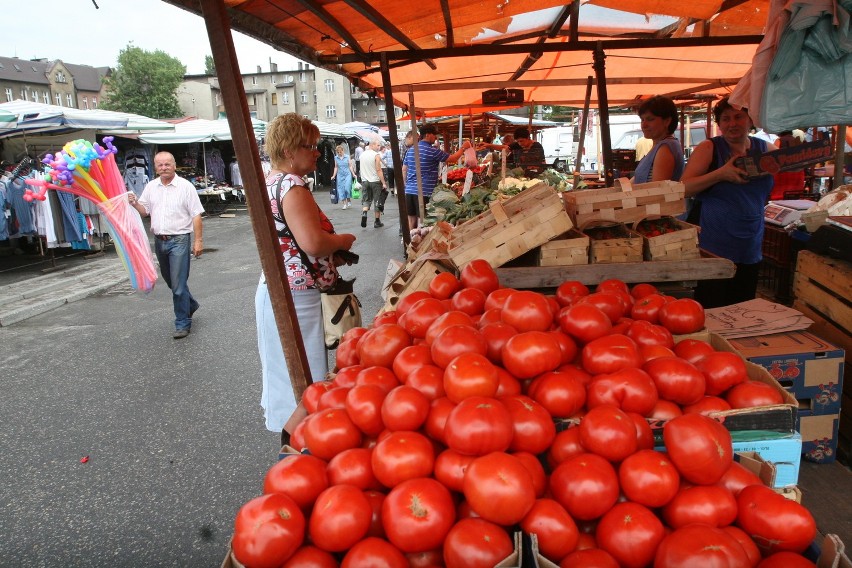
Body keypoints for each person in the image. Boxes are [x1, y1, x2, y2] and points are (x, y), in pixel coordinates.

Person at [255, 113, 356, 443]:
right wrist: (341, 241)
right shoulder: (292, 185)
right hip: (297, 296)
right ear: (288, 150)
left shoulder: (269, 182)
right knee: (307, 379)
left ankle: (294, 448)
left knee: (287, 374)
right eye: (309, 146)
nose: (316, 152)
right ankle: (297, 449)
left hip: (278, 288)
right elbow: (311, 244)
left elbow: (291, 239)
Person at [681, 96, 775, 309]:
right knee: (712, 306)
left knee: (743, 308)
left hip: (750, 241)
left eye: (738, 117)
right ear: (720, 124)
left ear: (750, 120)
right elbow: (683, 188)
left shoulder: (766, 149)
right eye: (725, 119)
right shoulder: (709, 148)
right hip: (713, 243)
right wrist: (720, 174)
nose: (732, 123)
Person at [128, 151, 204, 339]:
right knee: (172, 282)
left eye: (167, 164)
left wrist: (198, 240)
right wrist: (134, 203)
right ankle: (190, 304)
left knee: (178, 285)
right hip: (160, 241)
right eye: (160, 165)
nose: (164, 168)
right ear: (155, 167)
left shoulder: (185, 187)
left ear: (174, 165)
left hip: (179, 240)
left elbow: (196, 214)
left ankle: (182, 323)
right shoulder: (151, 187)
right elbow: (145, 211)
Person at [402, 124, 471, 230]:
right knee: (423, 221)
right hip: (423, 191)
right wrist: (463, 148)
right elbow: (452, 159)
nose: (436, 138)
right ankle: (420, 245)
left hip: (409, 191)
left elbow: (404, 169)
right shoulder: (432, 151)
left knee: (411, 220)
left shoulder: (410, 150)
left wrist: (406, 185)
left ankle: (410, 243)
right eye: (434, 135)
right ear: (428, 135)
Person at [632, 95, 685, 184]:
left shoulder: (666, 148)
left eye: (650, 119)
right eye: (642, 120)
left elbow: (658, 191)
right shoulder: (659, 146)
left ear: (667, 121)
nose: (644, 125)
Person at [359, 136, 388, 228]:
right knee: (377, 200)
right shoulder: (376, 155)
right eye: (378, 145)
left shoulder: (362, 155)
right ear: (372, 145)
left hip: (365, 181)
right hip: (375, 181)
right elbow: (378, 169)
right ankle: (377, 221)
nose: (379, 147)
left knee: (366, 199)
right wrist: (383, 182)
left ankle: (364, 213)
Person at [331, 144, 355, 209]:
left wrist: (353, 174)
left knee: (347, 187)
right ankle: (344, 203)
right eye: (338, 152)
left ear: (343, 151)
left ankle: (348, 199)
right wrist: (333, 175)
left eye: (340, 152)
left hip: (347, 174)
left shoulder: (347, 157)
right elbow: (336, 167)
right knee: (341, 189)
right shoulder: (336, 157)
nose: (339, 153)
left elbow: (350, 166)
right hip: (340, 175)